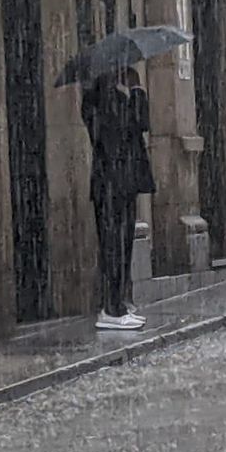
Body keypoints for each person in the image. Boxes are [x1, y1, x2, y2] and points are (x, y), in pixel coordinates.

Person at [81, 67, 154, 331]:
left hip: (120, 184)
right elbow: (136, 123)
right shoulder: (100, 104)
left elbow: (138, 124)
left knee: (122, 245)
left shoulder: (111, 100)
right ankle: (112, 309)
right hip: (113, 184)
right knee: (113, 245)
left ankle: (119, 303)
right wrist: (136, 88)